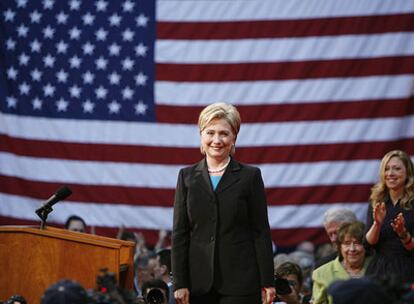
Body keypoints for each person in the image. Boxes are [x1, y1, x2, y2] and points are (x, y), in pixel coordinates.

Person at [171, 103, 275, 304]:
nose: (217, 140)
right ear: (201, 136)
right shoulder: (186, 177)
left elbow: (260, 231)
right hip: (197, 283)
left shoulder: (250, 176)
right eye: (210, 132)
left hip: (241, 282)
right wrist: (180, 282)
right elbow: (180, 232)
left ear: (234, 137)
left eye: (224, 134)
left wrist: (267, 281)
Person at [365, 150, 414, 282]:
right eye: (386, 169)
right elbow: (369, 243)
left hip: (407, 268)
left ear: (408, 173)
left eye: (396, 169)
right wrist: (377, 224)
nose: (390, 173)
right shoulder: (376, 200)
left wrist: (403, 234)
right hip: (378, 269)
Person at [311, 221, 371, 304]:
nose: (352, 249)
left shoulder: (379, 266)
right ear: (340, 247)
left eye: (357, 243)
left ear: (365, 245)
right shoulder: (321, 273)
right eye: (347, 243)